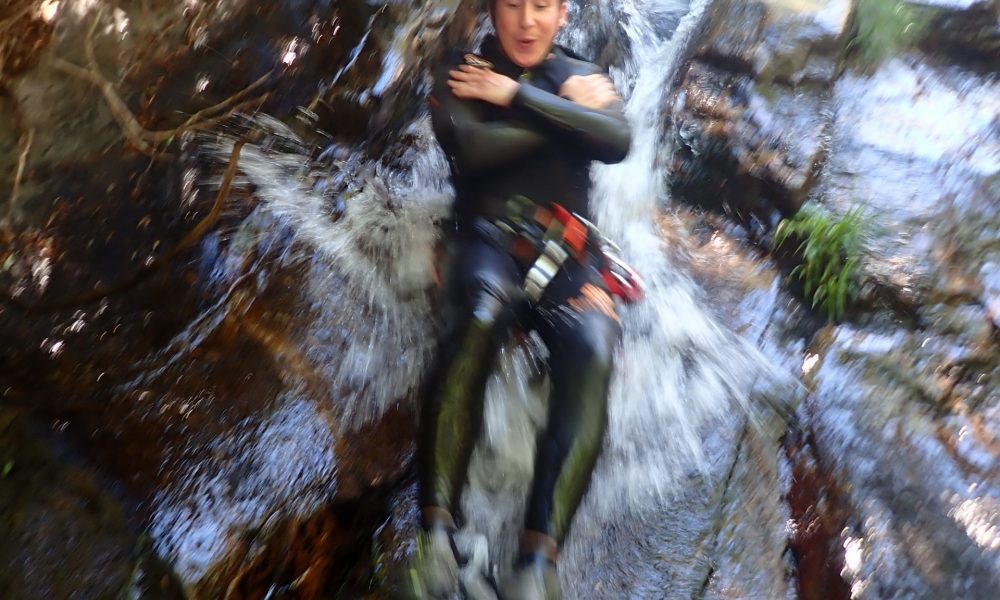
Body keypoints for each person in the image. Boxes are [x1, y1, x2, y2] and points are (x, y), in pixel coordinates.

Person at [412, 0, 632, 597]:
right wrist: (566, 122)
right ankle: (433, 536)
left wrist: (516, 96)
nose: (528, 22)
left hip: (566, 258)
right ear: (490, 9)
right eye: (513, 4)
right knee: (483, 311)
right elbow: (473, 148)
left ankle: (537, 565)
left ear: (563, 12)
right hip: (484, 240)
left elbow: (615, 138)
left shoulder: (578, 71)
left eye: (542, 5)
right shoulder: (462, 69)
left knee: (595, 342)